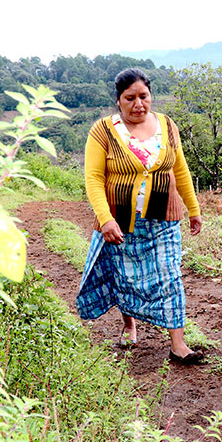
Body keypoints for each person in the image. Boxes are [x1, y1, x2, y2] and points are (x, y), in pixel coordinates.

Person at [76, 68, 204, 364]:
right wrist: (105, 219)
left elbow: (180, 170)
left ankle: (178, 345)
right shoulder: (103, 130)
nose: (138, 104)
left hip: (163, 218)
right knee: (125, 275)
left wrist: (193, 208)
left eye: (143, 96)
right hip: (120, 218)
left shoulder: (167, 126)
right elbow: (94, 177)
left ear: (151, 96)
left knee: (170, 275)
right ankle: (129, 325)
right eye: (130, 98)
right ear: (118, 100)